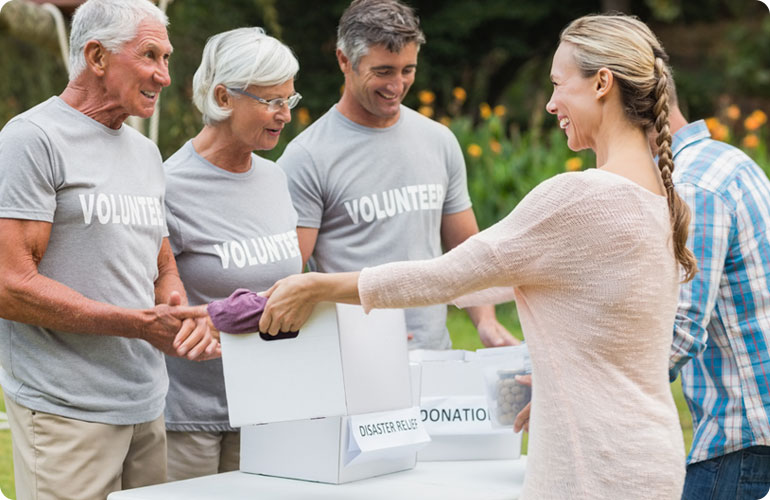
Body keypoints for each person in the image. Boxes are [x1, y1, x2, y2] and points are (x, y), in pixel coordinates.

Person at [256, 13, 697, 499]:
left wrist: (319, 286)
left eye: (556, 84)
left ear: (601, 83)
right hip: (649, 458)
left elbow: (450, 275)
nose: (550, 104)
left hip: (592, 470)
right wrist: (558, 386)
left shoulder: (580, 198)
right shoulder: (668, 199)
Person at [0, 1, 218, 498]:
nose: (164, 75)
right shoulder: (32, 139)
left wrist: (172, 295)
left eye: (166, 58)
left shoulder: (143, 151)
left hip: (146, 403)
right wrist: (138, 324)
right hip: (65, 412)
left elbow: (158, 256)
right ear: (96, 57)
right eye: (149, 56)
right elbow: (9, 286)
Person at [276, 0, 517, 349]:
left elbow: (465, 250)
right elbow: (288, 275)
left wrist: (486, 321)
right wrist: (352, 334)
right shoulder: (308, 157)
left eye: (408, 70)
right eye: (384, 71)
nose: (398, 84)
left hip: (436, 355)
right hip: (355, 361)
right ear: (345, 60)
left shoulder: (439, 141)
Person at [162, 27, 303, 481]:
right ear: (223, 97)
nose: (285, 115)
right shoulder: (169, 186)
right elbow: (156, 303)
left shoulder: (275, 178)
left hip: (271, 408)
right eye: (272, 101)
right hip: (191, 419)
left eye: (289, 100)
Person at [664, 91, 770, 499]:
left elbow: (681, 330)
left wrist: (578, 398)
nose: (551, 105)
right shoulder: (721, 159)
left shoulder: (693, 186)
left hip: (742, 438)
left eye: (560, 84)